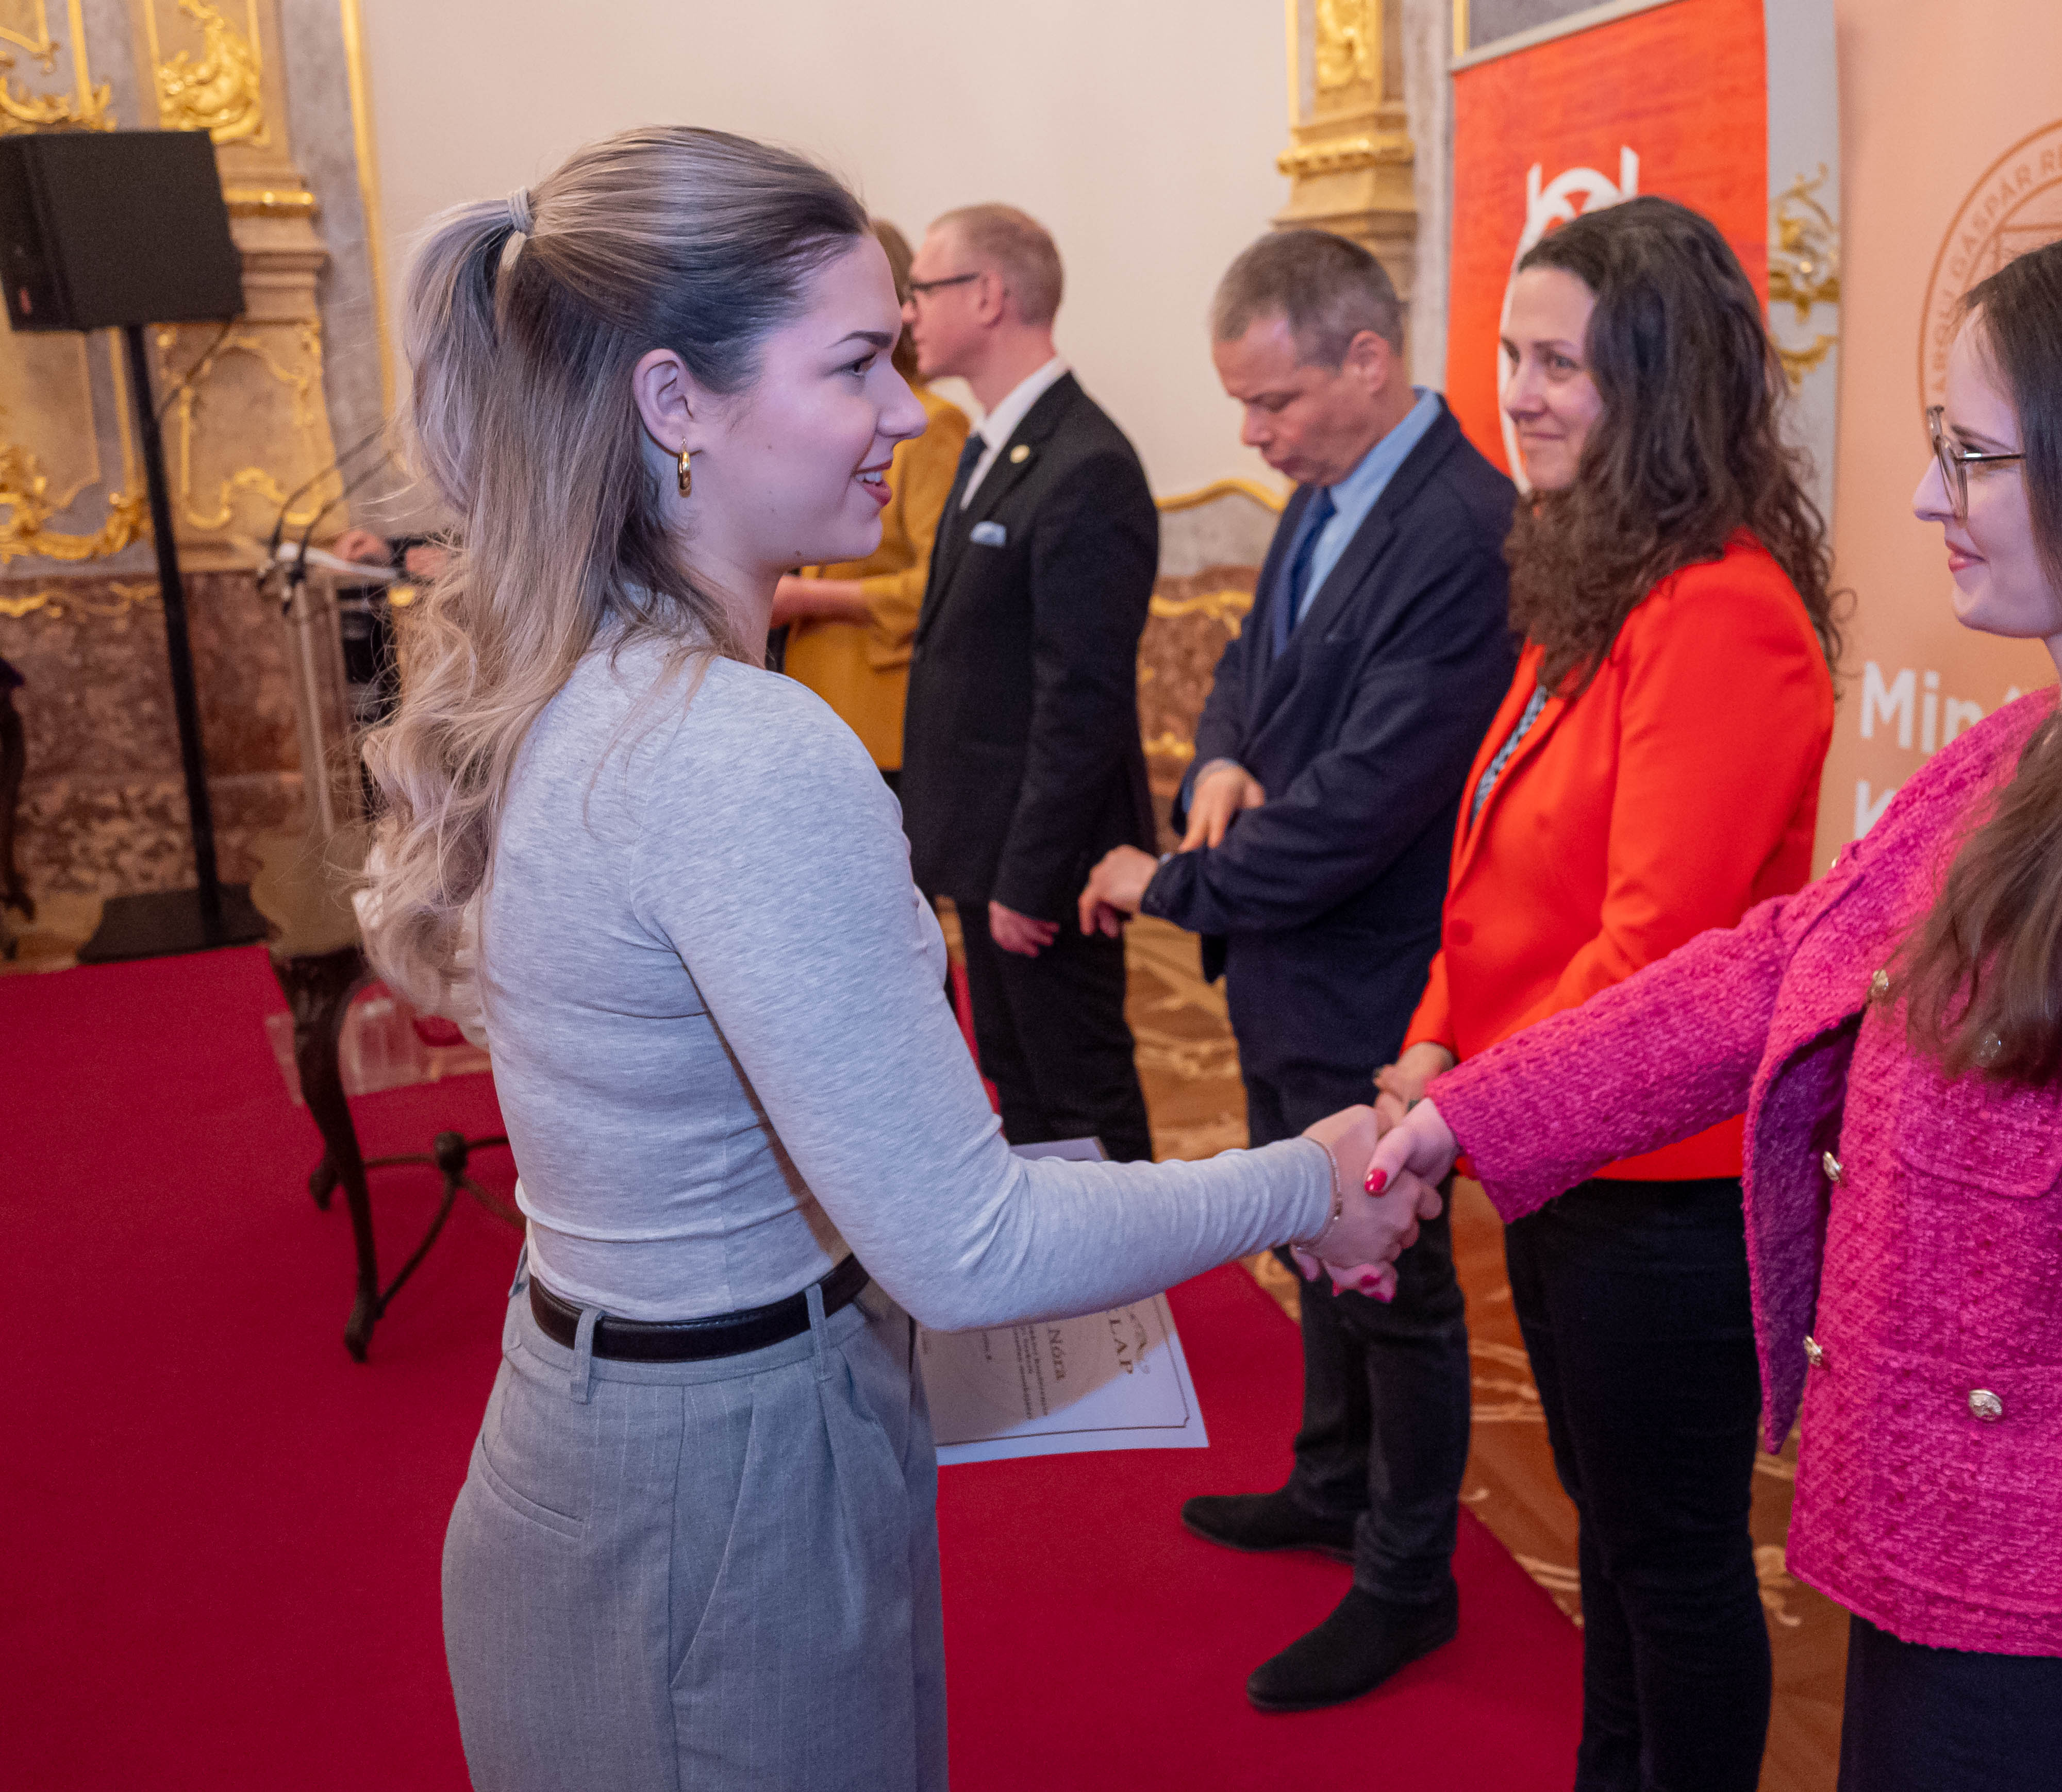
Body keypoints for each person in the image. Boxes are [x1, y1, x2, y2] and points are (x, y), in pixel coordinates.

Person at [355, 127, 1434, 1792]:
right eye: (854, 362)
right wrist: (1307, 1179)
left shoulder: (584, 675)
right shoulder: (736, 746)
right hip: (720, 1485)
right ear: (675, 401)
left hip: (620, 1427)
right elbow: (970, 1244)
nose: (906, 409)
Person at [1369, 205, 2062, 1792]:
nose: (1930, 496)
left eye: (1975, 457)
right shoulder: (2033, 752)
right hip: (1954, 1563)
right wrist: (1460, 1116)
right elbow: (1772, 962)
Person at [1366, 194, 1840, 1790]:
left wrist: (1453, 1102)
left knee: (1673, 1560)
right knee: (1612, 1537)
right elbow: (1493, 868)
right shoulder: (1601, 578)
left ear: (1661, 380)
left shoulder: (1722, 610)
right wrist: (1432, 1041)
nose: (1519, 392)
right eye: (1511, 355)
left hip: (1662, 1189)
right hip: (1556, 1145)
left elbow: (1651, 953)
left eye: (1558, 362)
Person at [1075, 228, 1518, 1712]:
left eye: (1271, 401)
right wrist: (1215, 759)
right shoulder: (1333, 487)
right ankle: (1332, 1485)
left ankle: (1408, 1577)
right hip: (1292, 965)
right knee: (1313, 1243)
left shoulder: (1462, 529)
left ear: (1366, 360)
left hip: (1373, 978)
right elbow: (1246, 674)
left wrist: (1164, 881)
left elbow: (1359, 807)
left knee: (1393, 1279)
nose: (1252, 437)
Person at [899, 203, 1158, 1161]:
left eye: (922, 289)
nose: (907, 313)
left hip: (1048, 861)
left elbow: (1079, 701)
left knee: (1079, 1092)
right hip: (990, 845)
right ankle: (1062, 1263)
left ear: (988, 295)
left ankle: (1129, 1264)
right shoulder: (993, 444)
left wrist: (1028, 877)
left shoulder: (1085, 463)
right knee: (1022, 1088)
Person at [770, 219, 972, 794]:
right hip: (810, 694)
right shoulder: (823, 417)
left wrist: (807, 598)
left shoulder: (931, 424)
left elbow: (943, 587)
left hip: (882, 712)